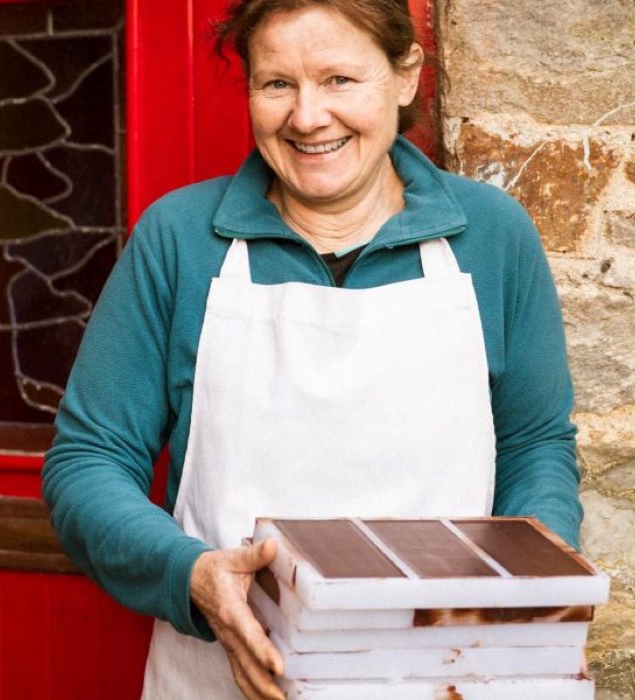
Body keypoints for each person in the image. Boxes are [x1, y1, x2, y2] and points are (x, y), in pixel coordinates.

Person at [42, 1, 582, 698]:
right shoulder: (179, 242)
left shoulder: (491, 236)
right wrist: (192, 578)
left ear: (405, 77)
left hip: (450, 677)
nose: (306, 117)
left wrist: (534, 607)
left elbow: (535, 445)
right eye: (276, 85)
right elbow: (86, 464)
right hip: (221, 676)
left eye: (338, 80)